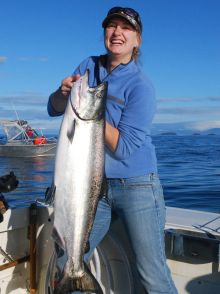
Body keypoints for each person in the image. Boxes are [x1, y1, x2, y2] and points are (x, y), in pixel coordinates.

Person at [48, 6, 178, 294]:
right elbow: (54, 108)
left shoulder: (141, 86)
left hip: (138, 186)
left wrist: (92, 114)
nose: (117, 32)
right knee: (65, 259)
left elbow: (126, 148)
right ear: (105, 33)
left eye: (126, 28)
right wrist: (64, 94)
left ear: (137, 40)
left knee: (151, 274)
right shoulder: (87, 66)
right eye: (111, 26)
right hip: (92, 188)